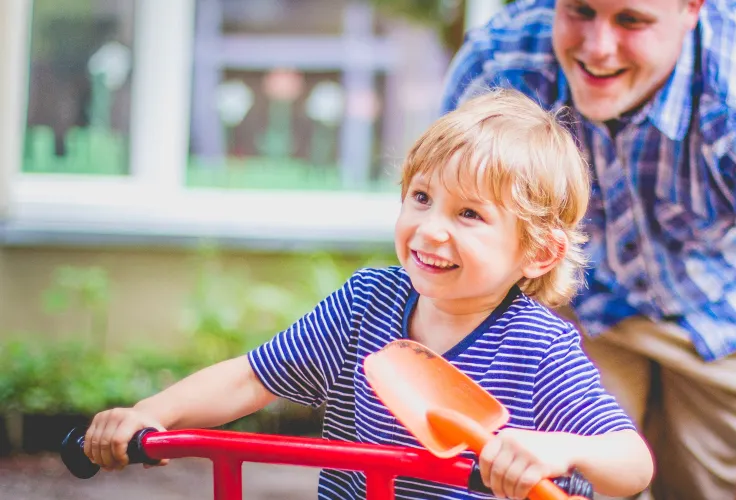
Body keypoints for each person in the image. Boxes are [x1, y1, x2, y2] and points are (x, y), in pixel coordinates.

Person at [82, 89, 654, 500]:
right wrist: (149, 413)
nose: (430, 228)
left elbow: (633, 465)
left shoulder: (539, 346)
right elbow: (250, 378)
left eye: (470, 214)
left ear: (539, 254)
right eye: (422, 197)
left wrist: (563, 450)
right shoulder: (368, 303)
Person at [442, 0, 736, 499]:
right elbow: (453, 255)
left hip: (726, 313)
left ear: (692, 8)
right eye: (580, 11)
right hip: (569, 301)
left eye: (631, 20)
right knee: (543, 479)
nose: (597, 48)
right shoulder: (498, 66)